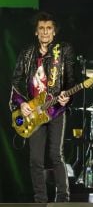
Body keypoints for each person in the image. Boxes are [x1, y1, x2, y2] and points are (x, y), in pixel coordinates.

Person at [9, 11, 76, 203]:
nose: (45, 32)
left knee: (56, 155)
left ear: (54, 32)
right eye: (41, 29)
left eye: (49, 28)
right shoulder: (27, 53)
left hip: (56, 110)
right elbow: (16, 80)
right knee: (35, 160)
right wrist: (22, 104)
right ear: (36, 32)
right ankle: (40, 200)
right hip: (34, 112)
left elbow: (71, 79)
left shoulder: (63, 51)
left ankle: (63, 198)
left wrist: (67, 98)